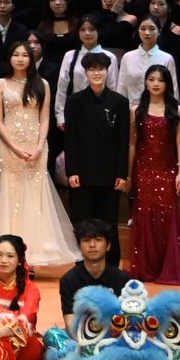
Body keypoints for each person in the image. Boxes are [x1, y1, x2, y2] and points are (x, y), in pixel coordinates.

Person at [0, 42, 80, 266]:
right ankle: (7, 249)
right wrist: (13, 146)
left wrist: (40, 145)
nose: (20, 59)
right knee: (9, 193)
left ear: (31, 58)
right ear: (9, 58)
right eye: (16, 54)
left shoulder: (42, 84)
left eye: (24, 55)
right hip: (8, 145)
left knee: (35, 194)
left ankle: (34, 252)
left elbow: (45, 118)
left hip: (36, 145)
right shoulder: (0, 84)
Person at [127, 64, 180, 283]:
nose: (155, 84)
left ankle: (167, 267)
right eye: (151, 79)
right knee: (144, 216)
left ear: (168, 83)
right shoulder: (136, 110)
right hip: (143, 169)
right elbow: (132, 143)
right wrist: (129, 174)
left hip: (167, 169)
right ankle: (147, 267)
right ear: (145, 82)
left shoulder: (178, 111)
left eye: (160, 80)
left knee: (166, 216)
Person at [62, 52, 131, 262]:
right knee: (81, 221)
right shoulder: (74, 101)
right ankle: (82, 264)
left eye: (100, 69)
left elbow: (123, 141)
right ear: (85, 72)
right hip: (82, 172)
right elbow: (70, 140)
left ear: (107, 71)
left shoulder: (120, 102)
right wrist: (72, 171)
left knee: (109, 222)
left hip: (110, 173)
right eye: (92, 69)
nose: (96, 73)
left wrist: (122, 174)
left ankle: (111, 265)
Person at [57, 218, 131, 318]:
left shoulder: (123, 280)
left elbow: (128, 318)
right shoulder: (68, 281)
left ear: (108, 246)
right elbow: (70, 320)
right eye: (86, 240)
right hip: (80, 327)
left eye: (98, 240)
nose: (92, 245)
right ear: (79, 246)